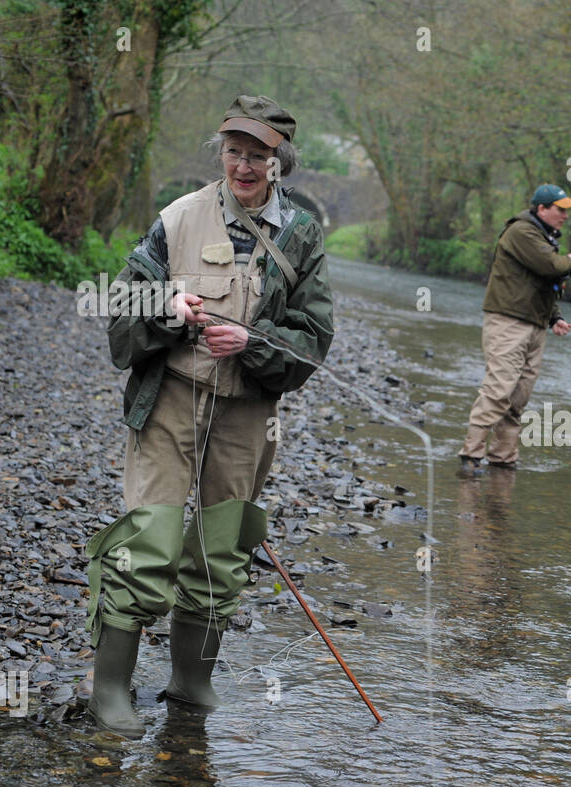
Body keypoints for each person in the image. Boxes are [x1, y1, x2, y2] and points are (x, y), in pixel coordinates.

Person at [84, 94, 333, 738]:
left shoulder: (302, 237)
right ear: (219, 152)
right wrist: (168, 308)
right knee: (150, 543)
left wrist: (256, 343)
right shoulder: (177, 219)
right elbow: (119, 324)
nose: (243, 166)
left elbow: (314, 338)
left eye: (258, 155)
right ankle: (109, 688)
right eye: (233, 151)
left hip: (248, 413)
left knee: (223, 548)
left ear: (281, 164)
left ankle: (191, 678)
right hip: (169, 399)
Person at [458, 184, 571, 472]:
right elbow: (550, 266)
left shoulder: (543, 237)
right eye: (560, 209)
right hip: (508, 322)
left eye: (566, 210)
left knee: (519, 396)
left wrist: (554, 317)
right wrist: (570, 261)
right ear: (542, 209)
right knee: (499, 389)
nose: (565, 215)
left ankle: (503, 459)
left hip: (535, 324)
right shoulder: (521, 232)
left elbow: (542, 283)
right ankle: (470, 455)